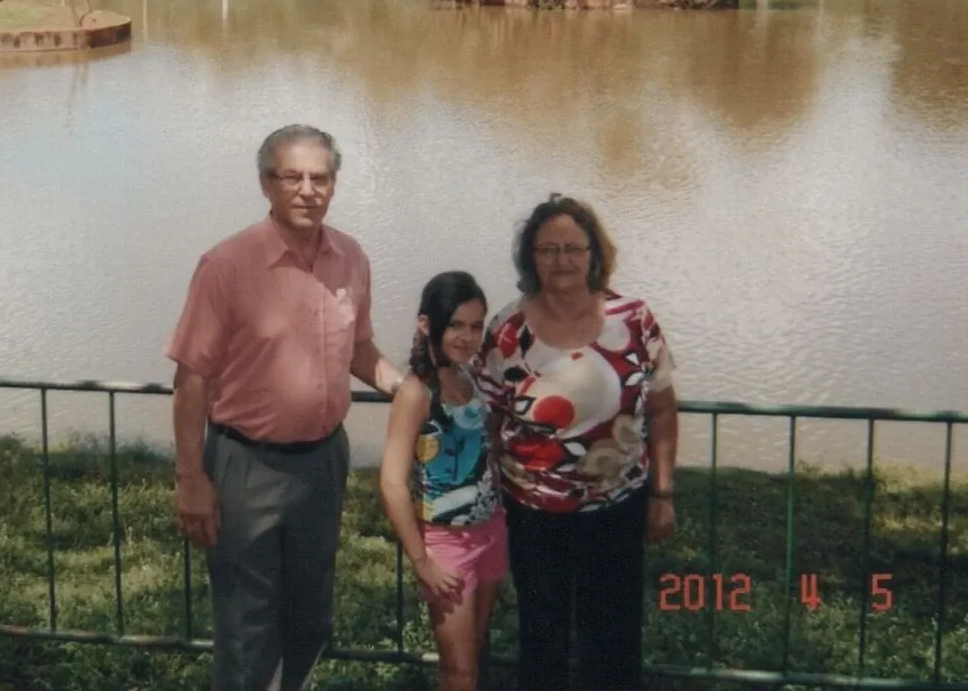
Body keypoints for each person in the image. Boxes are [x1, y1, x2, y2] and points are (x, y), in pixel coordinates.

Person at [167, 124, 404, 691]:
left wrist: (404, 385)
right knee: (248, 629)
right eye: (291, 177)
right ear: (266, 184)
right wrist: (190, 476)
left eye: (319, 178)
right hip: (246, 467)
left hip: (323, 462)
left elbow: (360, 348)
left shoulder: (350, 258)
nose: (306, 189)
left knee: (310, 618)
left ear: (334, 184)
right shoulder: (227, 265)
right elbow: (191, 378)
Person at [476, 193, 679, 691]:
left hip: (618, 507)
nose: (562, 260)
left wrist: (663, 492)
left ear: (593, 254)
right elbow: (488, 422)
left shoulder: (634, 320)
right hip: (533, 513)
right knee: (542, 640)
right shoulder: (506, 332)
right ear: (531, 258)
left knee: (613, 639)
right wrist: (487, 507)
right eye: (548, 250)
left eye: (573, 247)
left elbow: (663, 409)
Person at [378, 271, 506, 691]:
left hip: (490, 532)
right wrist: (422, 561)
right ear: (426, 324)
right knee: (459, 671)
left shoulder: (470, 378)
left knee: (475, 654)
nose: (468, 337)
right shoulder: (417, 392)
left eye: (475, 325)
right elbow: (393, 483)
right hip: (445, 543)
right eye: (456, 325)